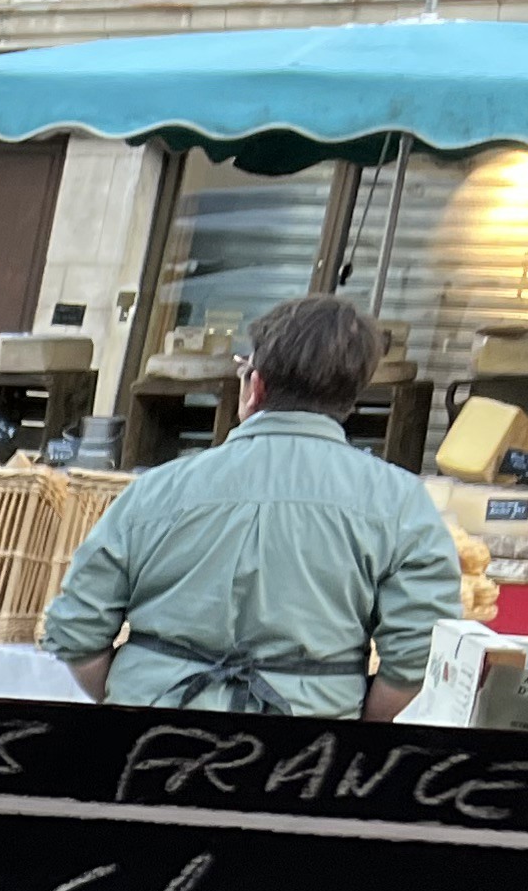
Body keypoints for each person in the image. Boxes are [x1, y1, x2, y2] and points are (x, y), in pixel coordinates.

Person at [46, 293, 464, 720]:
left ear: (256, 387)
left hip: (149, 736)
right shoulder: (400, 502)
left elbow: (76, 630)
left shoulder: (157, 489)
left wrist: (134, 697)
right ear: (351, 398)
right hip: (309, 745)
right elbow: (421, 657)